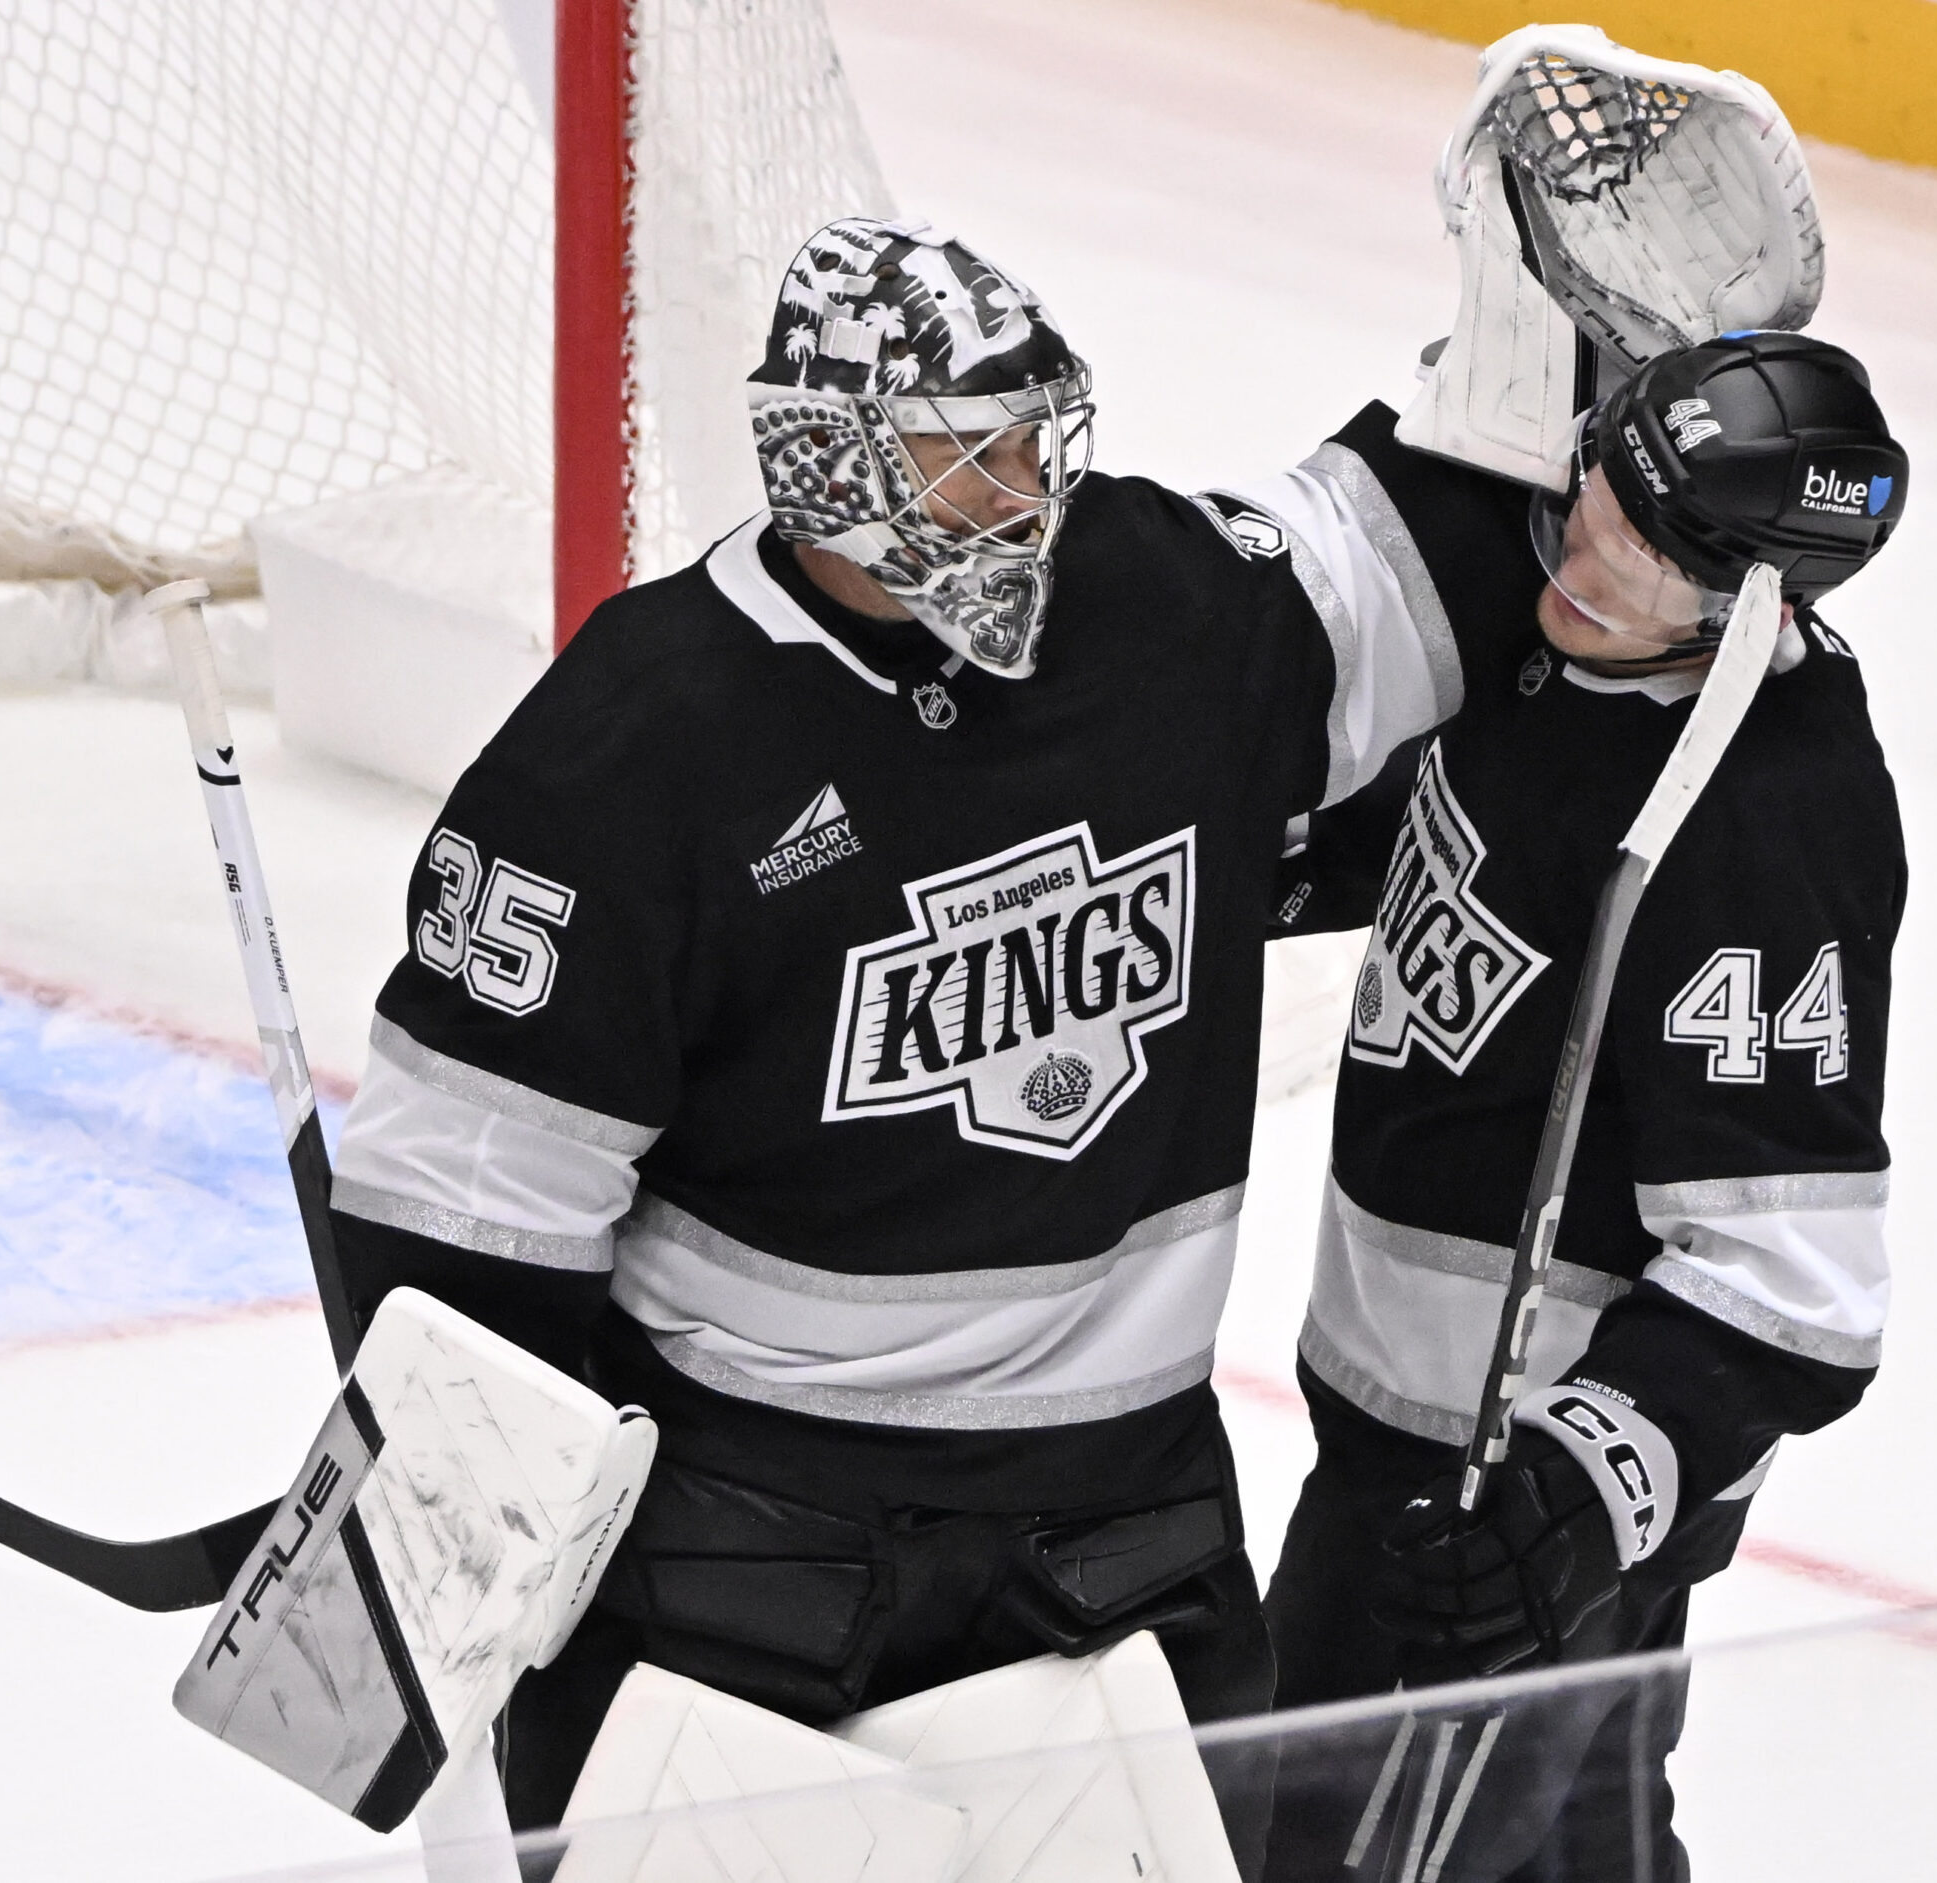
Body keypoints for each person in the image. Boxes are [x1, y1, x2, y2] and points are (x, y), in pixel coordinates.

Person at [321, 216, 1498, 1845]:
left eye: (1036, 441)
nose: (1026, 491)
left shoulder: (1158, 599)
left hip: (1123, 1512)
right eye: (970, 459)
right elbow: (462, 1214)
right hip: (760, 1539)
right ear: (826, 465)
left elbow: (1405, 562)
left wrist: (1566, 338)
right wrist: (468, 1508)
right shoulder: (634, 744)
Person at [1260, 331, 1911, 1881]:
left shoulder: (1765, 821)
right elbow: (1436, 846)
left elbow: (1793, 1281)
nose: (1587, 540)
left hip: (1509, 1514)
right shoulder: (1562, 639)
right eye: (1604, 482)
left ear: (1761, 599)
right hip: (1402, 1456)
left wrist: (1576, 1488)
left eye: (1653, 538)